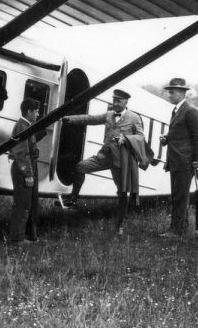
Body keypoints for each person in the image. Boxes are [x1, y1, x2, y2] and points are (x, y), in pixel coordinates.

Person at [62, 89, 145, 236]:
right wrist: (68, 119)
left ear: (126, 102)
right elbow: (89, 118)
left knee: (122, 192)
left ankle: (120, 224)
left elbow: (140, 137)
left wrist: (125, 139)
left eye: (118, 101)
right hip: (104, 156)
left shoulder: (134, 118)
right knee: (81, 167)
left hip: (121, 161)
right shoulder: (109, 115)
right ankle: (73, 199)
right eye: (114, 100)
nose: (115, 103)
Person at [158, 78, 198, 238]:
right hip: (177, 161)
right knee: (179, 196)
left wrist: (197, 159)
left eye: (171, 92)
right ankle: (181, 228)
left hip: (185, 162)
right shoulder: (178, 110)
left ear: (180, 93)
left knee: (180, 197)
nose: (169, 95)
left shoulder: (190, 110)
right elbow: (183, 134)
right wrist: (167, 138)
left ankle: (176, 231)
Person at [8, 98, 46, 244]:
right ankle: (17, 239)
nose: (37, 114)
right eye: (36, 112)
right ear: (29, 111)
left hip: (28, 167)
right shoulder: (21, 127)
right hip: (22, 168)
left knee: (28, 203)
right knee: (22, 204)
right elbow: (21, 153)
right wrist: (28, 174)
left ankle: (25, 235)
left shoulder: (26, 125)